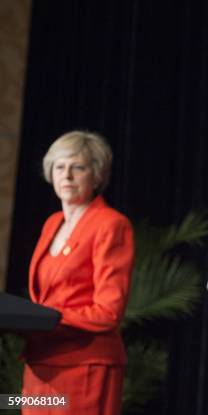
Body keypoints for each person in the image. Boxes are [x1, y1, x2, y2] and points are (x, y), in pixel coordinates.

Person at [22, 131, 134, 415]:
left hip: (86, 365)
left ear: (96, 175)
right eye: (60, 167)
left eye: (78, 167)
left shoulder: (111, 224)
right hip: (40, 363)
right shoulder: (52, 223)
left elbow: (108, 312)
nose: (67, 175)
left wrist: (46, 319)